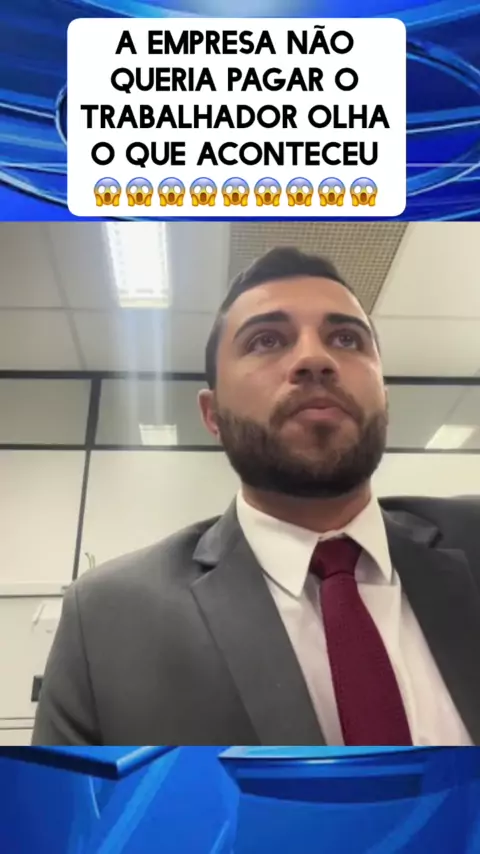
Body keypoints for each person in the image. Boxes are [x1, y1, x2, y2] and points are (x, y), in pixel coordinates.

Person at [33, 246, 480, 747]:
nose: (315, 358)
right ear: (213, 415)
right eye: (266, 340)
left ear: (385, 400)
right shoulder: (106, 621)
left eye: (346, 339)